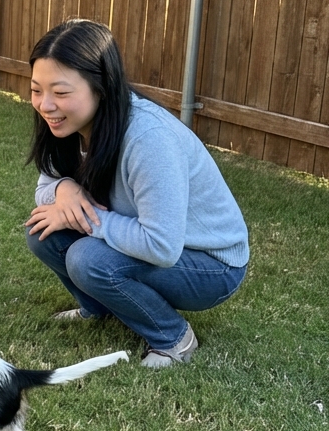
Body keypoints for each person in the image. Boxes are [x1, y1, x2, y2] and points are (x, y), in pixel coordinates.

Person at [24, 19, 249, 368]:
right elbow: (45, 187)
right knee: (42, 231)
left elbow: (161, 245)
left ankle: (174, 338)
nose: (45, 104)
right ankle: (99, 308)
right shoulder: (66, 122)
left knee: (87, 258)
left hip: (211, 263)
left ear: (101, 86)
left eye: (61, 92)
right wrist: (64, 189)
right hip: (152, 240)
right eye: (37, 89)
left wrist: (87, 220)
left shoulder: (148, 139)